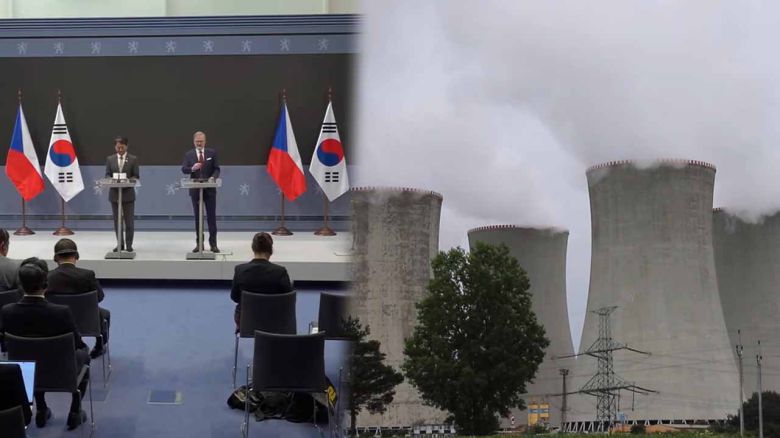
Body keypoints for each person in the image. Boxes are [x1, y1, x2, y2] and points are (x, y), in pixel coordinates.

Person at [0, 258, 90, 429]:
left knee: (33, 357)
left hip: (25, 370)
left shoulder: (7, 311)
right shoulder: (61, 312)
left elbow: (4, 344)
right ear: (46, 285)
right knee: (84, 355)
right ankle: (75, 411)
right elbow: (78, 344)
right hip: (61, 369)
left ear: (20, 286)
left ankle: (41, 408)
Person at [46, 239, 110, 359]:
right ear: (76, 256)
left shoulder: (48, 276)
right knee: (105, 314)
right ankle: (99, 347)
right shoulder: (88, 275)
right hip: (87, 320)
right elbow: (99, 297)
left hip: (57, 322)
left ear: (55, 258)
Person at [230, 232, 293, 329]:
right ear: (271, 250)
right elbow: (288, 300)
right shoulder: (280, 272)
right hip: (275, 322)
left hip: (246, 322)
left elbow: (235, 297)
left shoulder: (239, 270)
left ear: (253, 248)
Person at [181, 131, 220, 253]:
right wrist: (192, 168)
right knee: (198, 218)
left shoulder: (212, 153)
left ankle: (213, 244)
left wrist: (213, 177)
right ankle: (199, 244)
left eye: (201, 141)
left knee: (211, 217)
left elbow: (217, 169)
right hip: (195, 190)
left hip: (210, 190)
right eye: (197, 141)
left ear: (205, 141)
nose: (199, 143)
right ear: (194, 142)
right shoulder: (189, 154)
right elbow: (184, 169)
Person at [104, 135, 140, 252]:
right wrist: (111, 179)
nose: (120, 150)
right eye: (118, 147)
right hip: (114, 194)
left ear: (126, 146)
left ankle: (129, 245)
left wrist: (128, 180)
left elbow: (136, 176)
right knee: (117, 222)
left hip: (128, 194)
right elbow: (107, 174)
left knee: (129, 222)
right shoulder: (110, 159)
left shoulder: (133, 159)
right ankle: (120, 244)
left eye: (122, 147)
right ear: (115, 147)